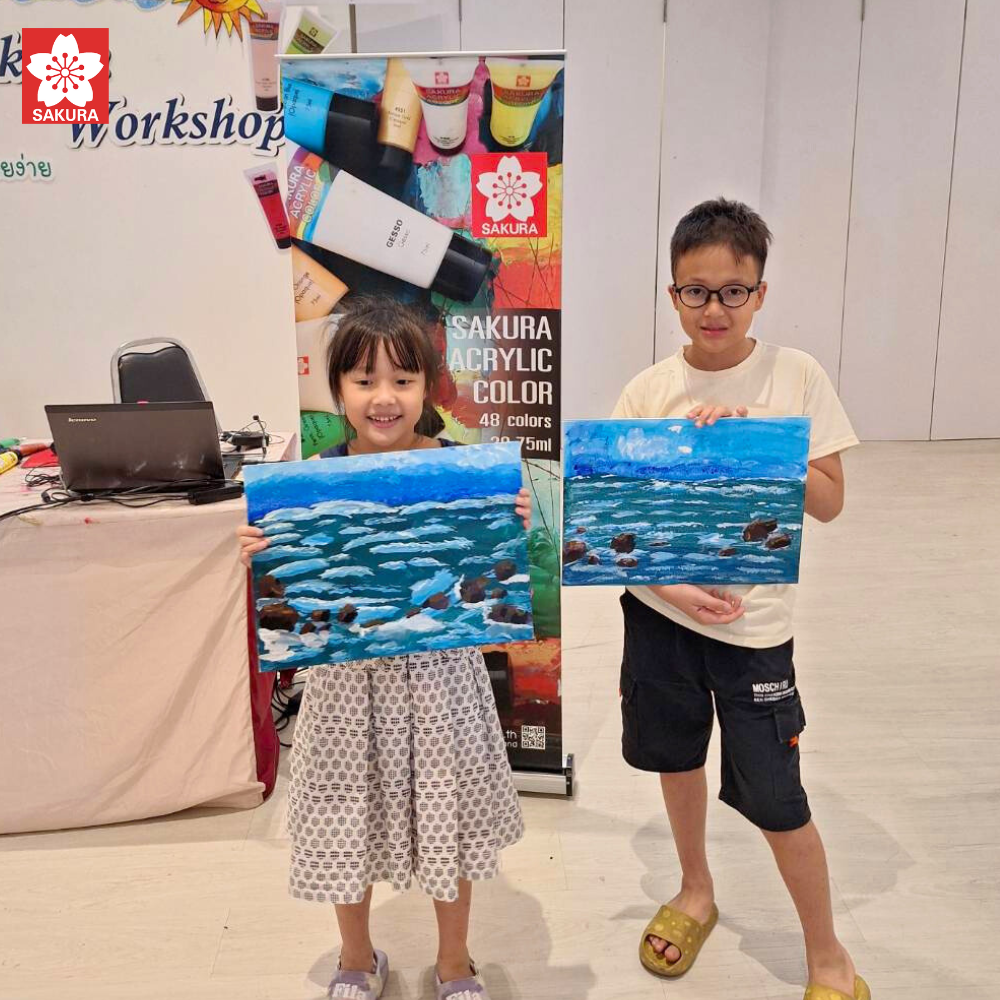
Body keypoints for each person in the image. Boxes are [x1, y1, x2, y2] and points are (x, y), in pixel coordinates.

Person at [238, 298, 531, 1000]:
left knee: (450, 814)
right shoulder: (310, 479)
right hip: (345, 685)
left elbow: (492, 574)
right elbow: (293, 595)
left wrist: (513, 521)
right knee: (346, 812)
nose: (384, 397)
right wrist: (259, 550)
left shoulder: (466, 466)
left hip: (443, 677)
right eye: (364, 380)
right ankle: (356, 957)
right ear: (338, 389)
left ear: (427, 388)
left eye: (402, 379)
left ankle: (455, 962)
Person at [614, 198, 868, 1000]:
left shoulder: (796, 377)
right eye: (696, 291)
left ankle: (828, 953)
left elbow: (829, 502)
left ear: (760, 292)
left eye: (733, 291)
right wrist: (670, 588)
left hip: (755, 630)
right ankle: (696, 889)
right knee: (675, 755)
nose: (714, 308)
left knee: (776, 794)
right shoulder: (648, 391)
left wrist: (754, 440)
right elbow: (613, 523)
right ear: (672, 294)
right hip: (661, 616)